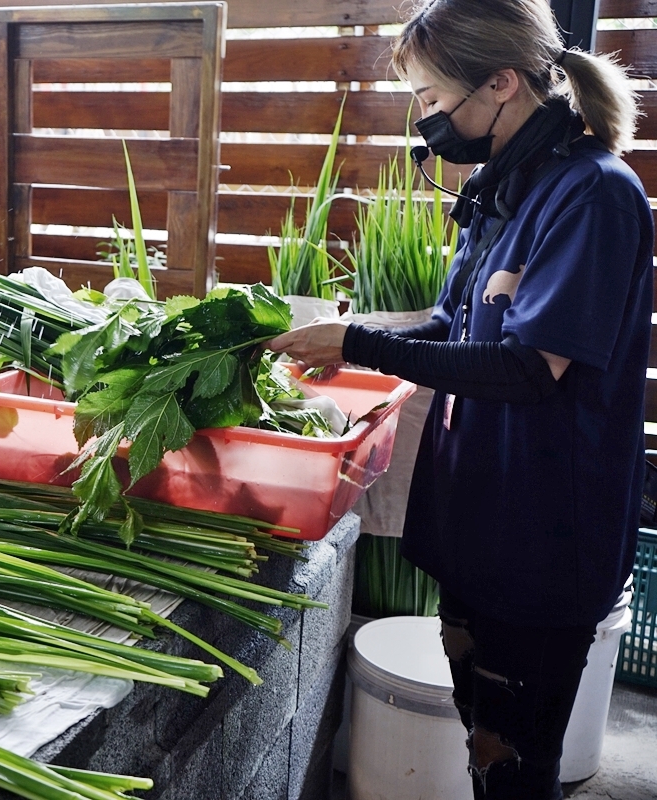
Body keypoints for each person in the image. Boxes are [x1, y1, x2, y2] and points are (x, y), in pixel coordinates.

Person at [267, 1, 652, 798]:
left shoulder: (593, 196)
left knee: (515, 759)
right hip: (477, 521)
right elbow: (454, 323)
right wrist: (345, 332)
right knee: (482, 741)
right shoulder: (503, 187)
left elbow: (526, 368)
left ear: (502, 84)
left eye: (433, 98)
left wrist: (361, 347)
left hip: (544, 536)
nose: (425, 118)